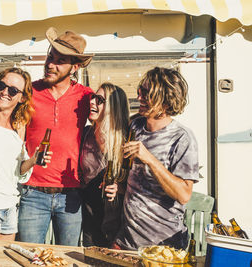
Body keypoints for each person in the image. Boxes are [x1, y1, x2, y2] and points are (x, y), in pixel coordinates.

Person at [18, 27, 93, 246]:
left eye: (60, 61)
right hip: (32, 193)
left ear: (75, 67)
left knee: (66, 260)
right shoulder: (29, 91)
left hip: (71, 195)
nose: (51, 64)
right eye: (50, 57)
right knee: (30, 259)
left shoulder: (86, 97)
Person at [114, 67, 199, 250]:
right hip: (127, 242)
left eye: (147, 93)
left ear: (166, 102)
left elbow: (183, 194)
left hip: (163, 246)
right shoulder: (135, 125)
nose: (139, 98)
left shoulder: (182, 138)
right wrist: (120, 187)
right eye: (140, 91)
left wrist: (149, 159)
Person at [0, 67, 50, 241]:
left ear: (21, 98)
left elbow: (18, 172)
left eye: (13, 90)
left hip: (10, 207)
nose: (5, 92)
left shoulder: (17, 129)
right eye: (1, 85)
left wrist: (34, 160)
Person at [79, 82, 130, 247]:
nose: (92, 102)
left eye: (99, 100)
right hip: (89, 215)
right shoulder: (86, 133)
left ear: (112, 108)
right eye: (93, 97)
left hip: (117, 219)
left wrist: (119, 187)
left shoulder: (126, 140)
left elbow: (137, 182)